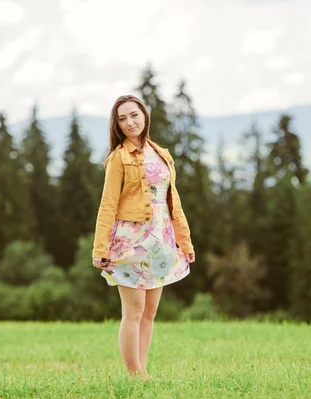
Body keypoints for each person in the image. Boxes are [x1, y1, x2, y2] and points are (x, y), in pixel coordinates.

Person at [92, 94, 195, 379]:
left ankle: (142, 371)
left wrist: (184, 241)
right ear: (117, 124)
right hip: (130, 242)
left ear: (145, 115)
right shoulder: (118, 158)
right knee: (134, 311)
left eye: (134, 115)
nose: (129, 122)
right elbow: (108, 204)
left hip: (160, 240)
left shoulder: (161, 153)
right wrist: (100, 248)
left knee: (150, 312)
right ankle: (134, 376)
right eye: (122, 118)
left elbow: (173, 201)